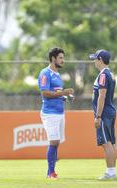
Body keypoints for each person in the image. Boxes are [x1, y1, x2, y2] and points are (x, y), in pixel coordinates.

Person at [38, 47, 74, 179]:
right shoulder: (45, 73)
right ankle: (51, 173)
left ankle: (50, 172)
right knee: (53, 142)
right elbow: (45, 93)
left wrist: (66, 97)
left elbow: (57, 93)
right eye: (60, 58)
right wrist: (64, 92)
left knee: (57, 142)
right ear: (53, 59)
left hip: (59, 112)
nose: (63, 60)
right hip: (50, 113)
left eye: (63, 58)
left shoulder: (57, 75)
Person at [89, 49, 117, 180]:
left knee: (106, 143)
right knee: (110, 143)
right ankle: (111, 171)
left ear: (100, 60)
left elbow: (102, 96)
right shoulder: (109, 73)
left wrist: (98, 116)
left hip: (104, 113)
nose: (94, 61)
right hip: (109, 111)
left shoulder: (103, 75)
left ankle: (110, 172)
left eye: (95, 58)